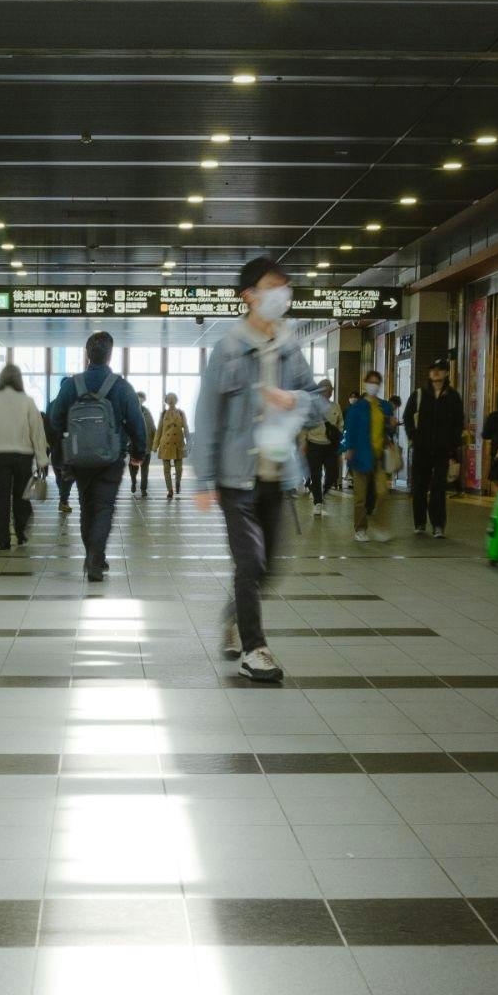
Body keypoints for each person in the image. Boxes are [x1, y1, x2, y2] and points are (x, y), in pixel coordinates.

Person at [197, 257, 325, 684]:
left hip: (279, 473)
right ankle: (256, 649)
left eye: (285, 287)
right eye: (272, 286)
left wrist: (296, 402)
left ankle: (235, 616)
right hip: (237, 477)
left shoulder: (290, 347)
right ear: (249, 294)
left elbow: (316, 402)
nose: (281, 294)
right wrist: (202, 479)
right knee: (249, 562)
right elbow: (208, 415)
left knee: (269, 566)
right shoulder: (228, 348)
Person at [47, 330, 149, 582]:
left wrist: (64, 446)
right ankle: (95, 557)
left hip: (79, 459)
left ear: (87, 355)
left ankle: (93, 555)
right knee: (104, 507)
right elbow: (137, 422)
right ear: (110, 354)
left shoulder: (72, 384)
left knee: (86, 507)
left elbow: (55, 418)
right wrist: (139, 452)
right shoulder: (122, 386)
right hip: (111, 459)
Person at [0, 361, 52, 549]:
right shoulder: (27, 401)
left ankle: (1, 538)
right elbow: (37, 432)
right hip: (23, 457)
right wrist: (42, 459)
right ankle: (21, 532)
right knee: (22, 497)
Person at [406, 361, 465, 537]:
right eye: (433, 370)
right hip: (421, 450)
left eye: (440, 370)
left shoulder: (453, 396)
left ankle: (438, 525)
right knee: (419, 488)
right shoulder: (419, 394)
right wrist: (413, 437)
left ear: (446, 373)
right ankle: (420, 523)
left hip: (442, 451)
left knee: (439, 489)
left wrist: (452, 448)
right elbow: (408, 417)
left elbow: (458, 424)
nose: (436, 373)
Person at [343, 369, 398, 542]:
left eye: (377, 382)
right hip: (360, 456)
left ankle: (380, 526)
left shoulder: (384, 406)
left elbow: (389, 428)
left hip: (378, 457)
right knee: (360, 497)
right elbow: (349, 430)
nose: (373, 385)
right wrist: (349, 448)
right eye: (371, 382)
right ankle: (360, 528)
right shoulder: (357, 407)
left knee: (382, 493)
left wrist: (391, 425)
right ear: (365, 383)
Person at [304, 379, 340, 515]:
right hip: (314, 444)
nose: (328, 391)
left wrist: (340, 444)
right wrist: (303, 443)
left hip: (330, 446)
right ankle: (317, 502)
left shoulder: (336, 407)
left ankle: (323, 492)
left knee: (332, 474)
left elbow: (340, 426)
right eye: (325, 389)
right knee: (316, 474)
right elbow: (305, 426)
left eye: (330, 389)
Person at [153, 391, 189, 497]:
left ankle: (177, 483)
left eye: (173, 398)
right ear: (166, 401)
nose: (171, 401)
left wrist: (189, 442)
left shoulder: (181, 413)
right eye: (169, 399)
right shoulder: (163, 414)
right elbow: (159, 430)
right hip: (166, 443)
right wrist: (155, 445)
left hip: (178, 443)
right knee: (166, 469)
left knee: (179, 468)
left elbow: (186, 428)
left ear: (176, 400)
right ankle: (170, 490)